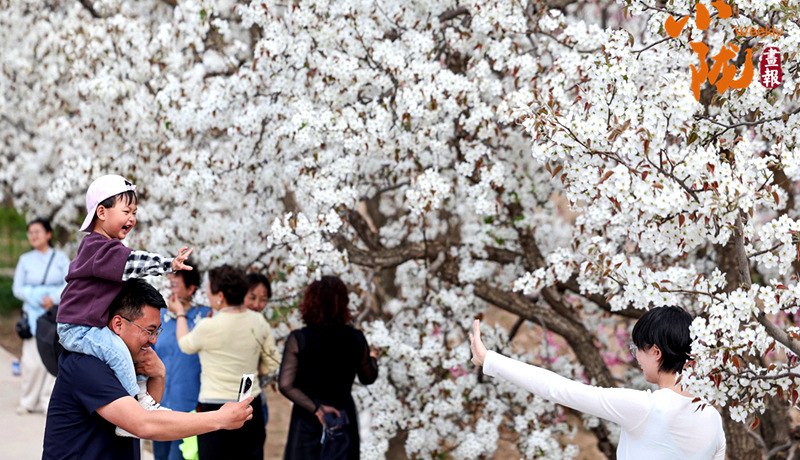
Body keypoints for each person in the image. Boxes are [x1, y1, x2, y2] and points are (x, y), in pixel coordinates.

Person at [469, 306, 726, 460]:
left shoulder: (645, 408)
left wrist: (488, 359)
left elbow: (558, 389)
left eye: (637, 348)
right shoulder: (713, 418)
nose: (635, 356)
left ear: (656, 352)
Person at [43, 278, 254, 460]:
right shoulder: (86, 365)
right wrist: (218, 419)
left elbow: (145, 411)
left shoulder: (126, 361)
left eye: (157, 331)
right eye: (149, 331)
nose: (153, 341)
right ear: (118, 324)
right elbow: (144, 424)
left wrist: (159, 375)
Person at [56, 174, 193, 436]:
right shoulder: (100, 248)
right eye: (126, 211)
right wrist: (168, 265)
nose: (132, 218)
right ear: (102, 212)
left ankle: (140, 395)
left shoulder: (103, 248)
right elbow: (133, 263)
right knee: (118, 351)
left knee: (128, 352)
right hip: (78, 328)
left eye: (135, 212)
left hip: (87, 325)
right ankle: (136, 407)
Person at [171, 265, 281, 460]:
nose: (206, 293)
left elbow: (185, 345)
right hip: (249, 406)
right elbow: (273, 362)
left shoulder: (209, 326)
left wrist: (180, 313)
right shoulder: (258, 321)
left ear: (220, 295)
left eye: (209, 289)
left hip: (214, 409)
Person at [279, 275, 379, 460]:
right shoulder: (355, 338)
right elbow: (368, 377)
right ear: (343, 304)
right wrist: (372, 358)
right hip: (342, 418)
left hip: (307, 418)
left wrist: (317, 408)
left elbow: (285, 385)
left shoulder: (299, 339)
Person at [151, 260, 212, 460]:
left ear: (191, 289)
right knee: (159, 456)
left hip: (189, 406)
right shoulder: (158, 316)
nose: (170, 290)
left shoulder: (204, 318)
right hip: (159, 404)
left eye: (175, 285)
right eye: (169, 284)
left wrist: (181, 314)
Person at [12, 217, 69, 415]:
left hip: (54, 314)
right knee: (31, 361)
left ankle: (48, 401)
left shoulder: (60, 258)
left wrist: (53, 297)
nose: (33, 236)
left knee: (53, 358)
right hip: (33, 314)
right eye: (30, 232)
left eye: (37, 231)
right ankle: (28, 400)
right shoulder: (25, 260)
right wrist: (37, 297)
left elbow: (69, 283)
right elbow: (17, 288)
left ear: (48, 234)